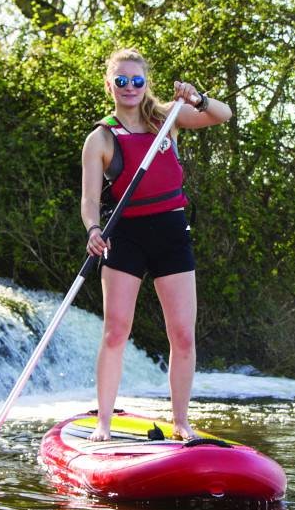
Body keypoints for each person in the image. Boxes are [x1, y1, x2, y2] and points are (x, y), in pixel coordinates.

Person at [81, 48, 232, 442]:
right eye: (121, 81)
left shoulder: (167, 118)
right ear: (109, 84)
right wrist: (93, 229)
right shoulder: (100, 137)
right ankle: (104, 423)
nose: (130, 88)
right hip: (124, 235)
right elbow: (88, 198)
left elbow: (223, 115)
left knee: (182, 334)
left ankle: (180, 421)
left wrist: (197, 97)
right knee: (116, 332)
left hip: (170, 232)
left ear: (146, 83)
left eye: (137, 80)